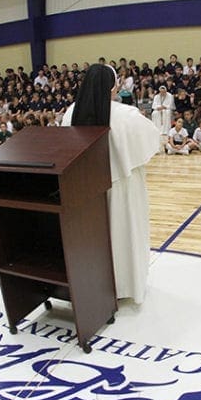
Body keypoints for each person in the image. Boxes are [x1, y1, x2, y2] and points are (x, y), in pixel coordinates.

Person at [61, 64, 160, 305]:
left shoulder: (70, 112)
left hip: (86, 190)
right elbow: (152, 140)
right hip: (123, 190)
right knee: (124, 235)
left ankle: (94, 288)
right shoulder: (127, 115)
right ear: (112, 87)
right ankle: (126, 287)